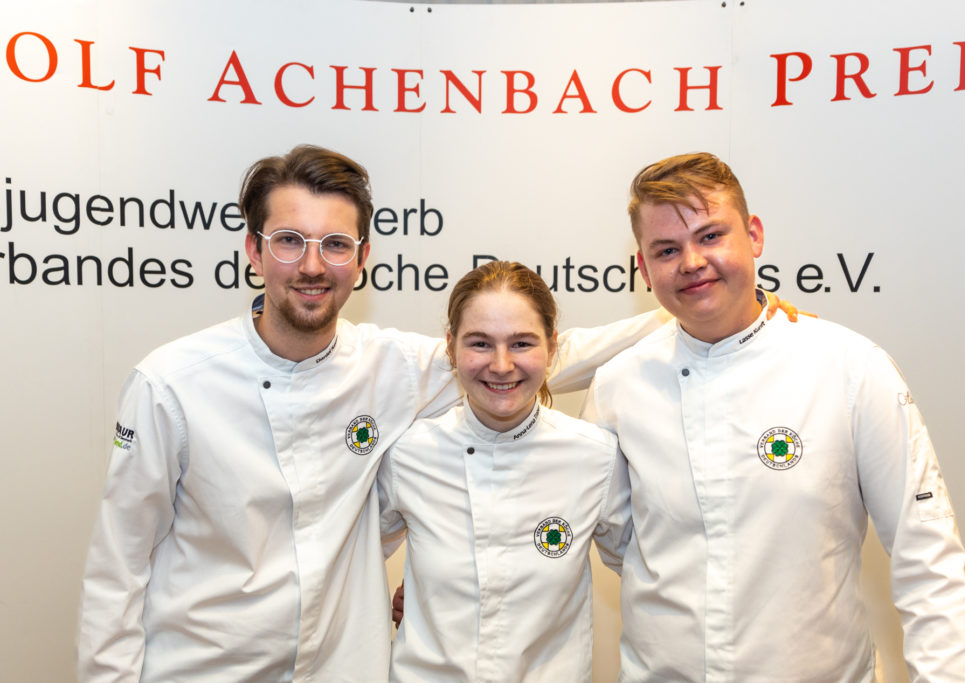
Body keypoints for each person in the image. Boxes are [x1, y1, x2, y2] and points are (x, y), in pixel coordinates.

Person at [75, 145, 687, 682]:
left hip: (345, 669)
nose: (313, 266)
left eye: (335, 245)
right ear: (254, 251)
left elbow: (519, 354)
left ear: (361, 257)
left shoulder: (391, 365)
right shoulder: (171, 384)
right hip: (204, 669)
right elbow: (118, 567)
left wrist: (697, 312)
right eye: (290, 240)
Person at [581, 153, 965, 682]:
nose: (691, 262)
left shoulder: (850, 368)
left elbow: (927, 556)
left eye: (710, 236)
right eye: (667, 250)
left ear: (754, 235)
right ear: (643, 268)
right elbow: (622, 543)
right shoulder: (618, 386)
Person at [378, 261, 631, 682]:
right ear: (451, 347)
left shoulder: (595, 457)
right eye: (479, 343)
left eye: (521, 344)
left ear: (552, 348)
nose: (500, 365)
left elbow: (654, 574)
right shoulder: (408, 454)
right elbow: (347, 561)